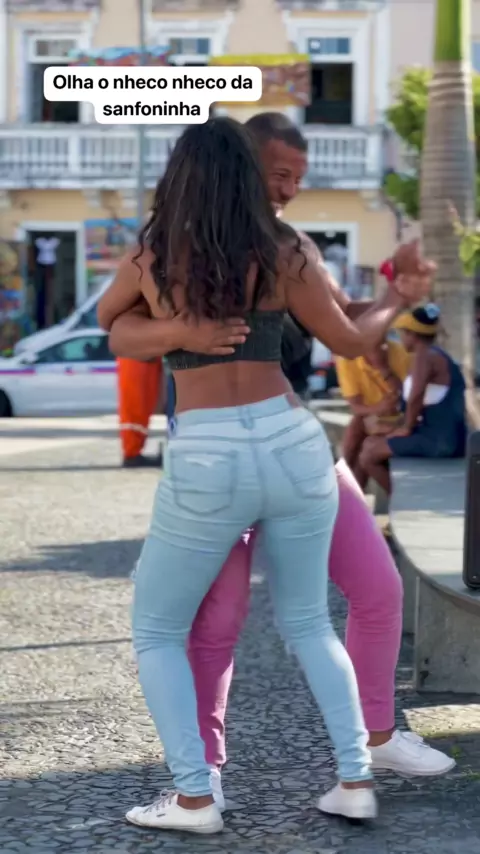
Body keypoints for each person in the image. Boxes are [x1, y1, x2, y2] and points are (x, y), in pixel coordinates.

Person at [98, 113, 453, 820]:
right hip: (289, 437)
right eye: (279, 174)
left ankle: (195, 792)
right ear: (244, 169)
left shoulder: (159, 250)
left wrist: (176, 328)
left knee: (163, 629)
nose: (289, 188)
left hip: (216, 449)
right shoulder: (281, 251)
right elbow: (347, 335)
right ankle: (354, 782)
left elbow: (112, 325)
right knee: (297, 622)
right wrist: (395, 299)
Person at [359, 304, 467, 494]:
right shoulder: (435, 354)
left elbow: (416, 395)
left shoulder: (424, 357)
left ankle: (400, 499)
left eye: (401, 333)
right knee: (371, 442)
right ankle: (400, 496)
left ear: (411, 334)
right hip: (448, 437)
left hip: (439, 441)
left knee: (368, 455)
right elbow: (413, 397)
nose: (400, 338)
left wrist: (406, 428)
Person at [336, 336, 411, 488]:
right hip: (370, 417)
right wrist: (380, 408)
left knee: (364, 449)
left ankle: (346, 486)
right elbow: (356, 407)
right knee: (357, 429)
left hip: (401, 419)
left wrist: (383, 368)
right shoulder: (347, 359)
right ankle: (344, 480)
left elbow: (405, 398)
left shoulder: (400, 353)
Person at [117, 356, 164, 468]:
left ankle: (132, 451)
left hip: (146, 357)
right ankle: (131, 453)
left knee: (142, 405)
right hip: (140, 357)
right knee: (137, 405)